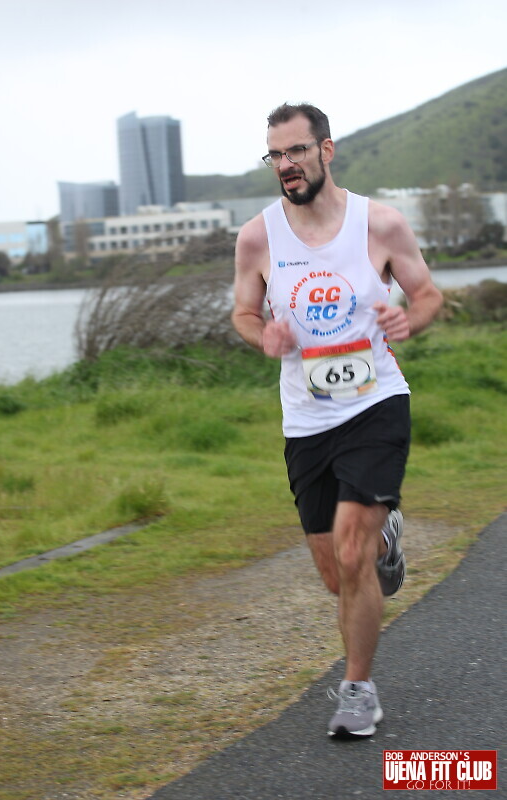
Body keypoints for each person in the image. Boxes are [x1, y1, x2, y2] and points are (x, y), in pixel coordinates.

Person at [232, 102, 443, 738]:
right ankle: (386, 537)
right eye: (275, 154)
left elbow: (427, 294)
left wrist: (409, 319)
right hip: (306, 422)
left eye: (296, 150)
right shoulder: (258, 237)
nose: (285, 164)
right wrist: (263, 335)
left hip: (376, 404)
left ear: (326, 150)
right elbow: (244, 312)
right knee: (337, 574)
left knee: (351, 553)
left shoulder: (380, 224)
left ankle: (358, 691)